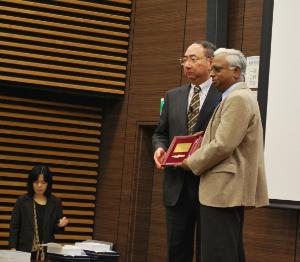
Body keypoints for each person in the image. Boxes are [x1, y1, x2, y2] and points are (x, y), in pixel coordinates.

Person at [180, 48, 269, 262]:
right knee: (229, 252)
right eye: (211, 70)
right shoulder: (237, 97)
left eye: (218, 70)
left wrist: (190, 162)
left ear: (236, 72)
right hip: (227, 190)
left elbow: (223, 145)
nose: (212, 75)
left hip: (223, 191)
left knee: (218, 254)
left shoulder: (237, 98)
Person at [152, 40, 221, 262]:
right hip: (176, 187)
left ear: (210, 62)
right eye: (184, 59)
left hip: (208, 185)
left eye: (193, 59)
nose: (187, 64)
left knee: (208, 251)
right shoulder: (173, 96)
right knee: (177, 250)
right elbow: (160, 133)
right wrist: (160, 149)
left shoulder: (223, 96)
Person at [9, 165, 69, 261]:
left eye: (43, 182)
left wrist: (61, 225)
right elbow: (14, 227)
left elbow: (56, 230)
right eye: (36, 182)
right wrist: (13, 247)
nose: (39, 186)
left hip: (46, 254)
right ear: (31, 182)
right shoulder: (22, 201)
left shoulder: (56, 202)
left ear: (48, 183)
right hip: (24, 252)